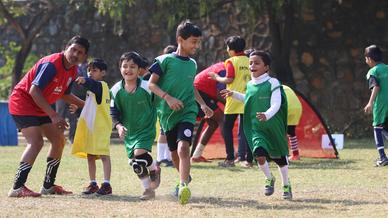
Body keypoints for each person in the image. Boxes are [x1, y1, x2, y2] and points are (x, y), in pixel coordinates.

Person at [7, 36, 89, 197]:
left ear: (84, 57)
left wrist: (88, 106)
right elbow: (34, 90)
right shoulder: (52, 64)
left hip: (39, 106)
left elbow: (65, 94)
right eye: (73, 49)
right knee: (36, 142)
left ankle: (48, 186)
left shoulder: (72, 70)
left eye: (80, 53)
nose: (75, 54)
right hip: (22, 102)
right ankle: (17, 188)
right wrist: (54, 115)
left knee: (59, 140)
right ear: (66, 47)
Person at [148, 20, 213, 204]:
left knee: (184, 147)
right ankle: (183, 178)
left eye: (198, 42)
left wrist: (202, 104)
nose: (196, 45)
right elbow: (151, 84)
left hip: (188, 111)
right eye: (193, 41)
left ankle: (184, 185)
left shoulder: (192, 63)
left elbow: (190, 86)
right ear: (180, 40)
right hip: (167, 115)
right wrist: (168, 98)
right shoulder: (164, 61)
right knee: (174, 154)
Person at [221, 50, 292, 200]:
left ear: (266, 67)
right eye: (250, 63)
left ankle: (286, 185)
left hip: (273, 127)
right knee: (259, 155)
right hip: (257, 128)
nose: (252, 65)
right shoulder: (250, 84)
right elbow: (249, 99)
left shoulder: (273, 82)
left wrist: (267, 114)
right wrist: (234, 94)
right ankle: (269, 178)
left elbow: (277, 103)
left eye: (257, 63)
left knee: (279, 158)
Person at [110, 52, 161, 200]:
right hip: (129, 132)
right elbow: (113, 112)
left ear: (139, 70)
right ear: (120, 68)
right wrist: (119, 126)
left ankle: (154, 170)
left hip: (146, 129)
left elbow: (160, 103)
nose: (128, 69)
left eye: (133, 66)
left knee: (139, 155)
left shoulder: (147, 87)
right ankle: (148, 190)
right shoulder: (115, 90)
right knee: (136, 164)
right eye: (125, 66)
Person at [71, 58, 113, 195]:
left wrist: (85, 80)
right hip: (91, 128)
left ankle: (106, 184)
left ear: (103, 73)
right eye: (89, 70)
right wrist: (78, 109)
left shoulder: (101, 85)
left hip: (101, 128)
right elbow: (91, 107)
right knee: (90, 156)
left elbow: (92, 84)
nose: (90, 73)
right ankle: (93, 183)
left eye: (94, 70)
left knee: (104, 156)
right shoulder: (92, 89)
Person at [209, 36, 252, 168]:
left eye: (228, 47)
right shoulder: (250, 60)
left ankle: (230, 159)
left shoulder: (230, 61)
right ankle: (249, 161)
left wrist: (216, 77)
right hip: (248, 98)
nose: (227, 50)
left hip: (233, 99)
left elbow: (229, 79)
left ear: (232, 49)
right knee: (248, 130)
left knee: (227, 128)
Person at [191, 62, 226, 163]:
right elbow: (220, 95)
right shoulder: (224, 70)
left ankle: (196, 155)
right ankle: (231, 153)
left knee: (213, 123)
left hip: (204, 93)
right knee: (222, 119)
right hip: (200, 93)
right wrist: (233, 105)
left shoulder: (223, 65)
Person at [364, 44, 388, 167]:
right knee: (385, 127)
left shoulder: (373, 71)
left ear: (370, 59)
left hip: (381, 104)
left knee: (377, 128)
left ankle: (383, 157)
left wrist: (370, 102)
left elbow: (376, 86)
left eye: (366, 58)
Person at [155, 45, 176, 167]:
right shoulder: (166, 67)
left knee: (164, 131)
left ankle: (161, 158)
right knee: (167, 131)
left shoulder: (161, 66)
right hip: (165, 104)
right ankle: (165, 157)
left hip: (162, 103)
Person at [283, 85, 302, 161]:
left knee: (280, 131)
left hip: (287, 108)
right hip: (297, 107)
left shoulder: (273, 88)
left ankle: (283, 154)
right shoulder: (285, 87)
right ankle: (295, 154)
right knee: (291, 132)